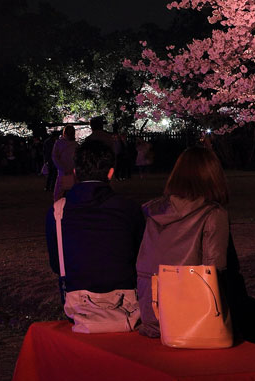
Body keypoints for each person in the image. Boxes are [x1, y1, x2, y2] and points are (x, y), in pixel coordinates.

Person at [135, 146, 228, 339]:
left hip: (150, 311)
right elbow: (215, 269)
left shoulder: (153, 211)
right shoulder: (212, 214)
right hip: (190, 317)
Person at [45, 136, 144, 301]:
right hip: (124, 297)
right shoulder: (128, 208)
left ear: (76, 172)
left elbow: (56, 264)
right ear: (110, 173)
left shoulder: (58, 211)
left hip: (77, 300)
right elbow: (139, 255)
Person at [50, 124, 78, 202]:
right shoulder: (74, 144)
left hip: (67, 170)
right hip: (68, 170)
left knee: (59, 192)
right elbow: (55, 157)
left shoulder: (60, 143)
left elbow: (55, 157)